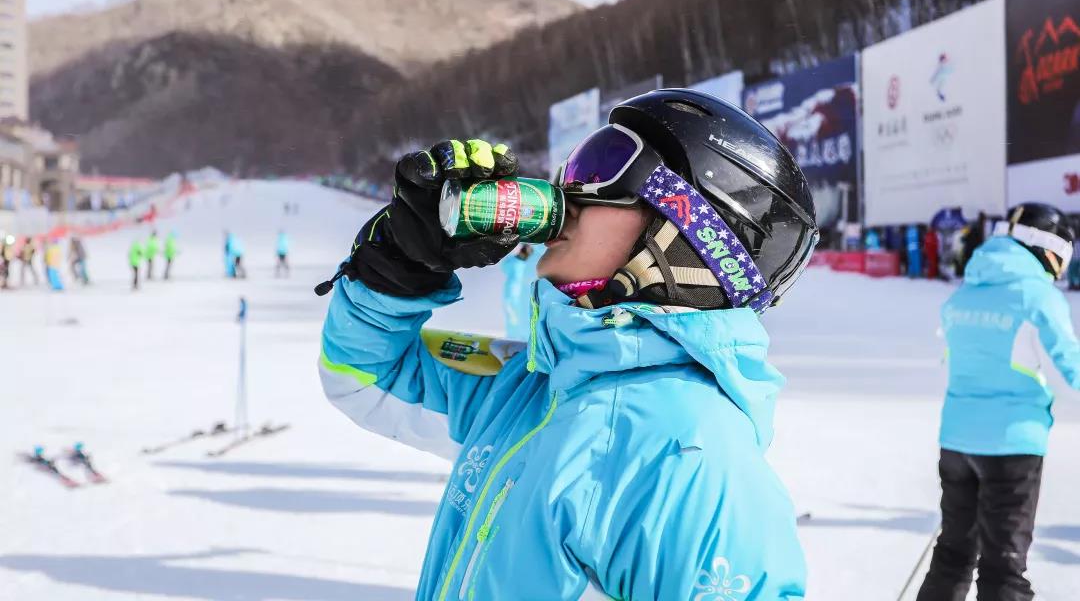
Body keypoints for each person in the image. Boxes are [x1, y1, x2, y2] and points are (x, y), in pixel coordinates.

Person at [317, 89, 819, 600]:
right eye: (574, 167)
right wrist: (401, 262)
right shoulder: (537, 387)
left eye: (603, 165)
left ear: (688, 235)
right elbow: (365, 377)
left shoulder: (689, 457)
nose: (568, 193)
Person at [917, 203, 1080, 601]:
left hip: (957, 441)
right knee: (1003, 567)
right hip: (1011, 447)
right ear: (1049, 249)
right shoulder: (1036, 295)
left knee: (953, 554)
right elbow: (1071, 364)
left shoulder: (967, 291)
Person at [499, 244, 543, 341]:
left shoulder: (536, 256)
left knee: (524, 320)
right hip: (515, 295)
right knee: (514, 320)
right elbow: (505, 267)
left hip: (526, 295)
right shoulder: (518, 261)